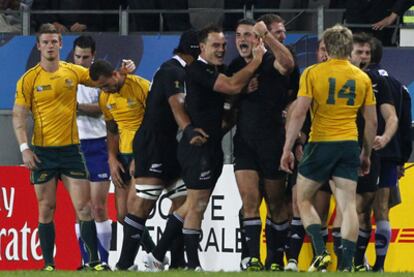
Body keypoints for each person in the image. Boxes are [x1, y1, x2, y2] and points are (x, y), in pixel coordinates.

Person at [280, 24, 378, 272]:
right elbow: (372, 121)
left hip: (321, 143)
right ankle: (346, 264)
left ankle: (321, 251)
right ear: (348, 47)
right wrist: (366, 153)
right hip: (348, 145)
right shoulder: (362, 77)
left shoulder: (313, 73)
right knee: (347, 207)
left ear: (328, 47)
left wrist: (287, 148)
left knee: (302, 199)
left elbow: (299, 113)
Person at [12, 23, 108, 271]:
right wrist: (24, 148)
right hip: (42, 152)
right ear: (38, 45)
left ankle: (94, 263)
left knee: (84, 207)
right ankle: (49, 265)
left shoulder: (73, 72)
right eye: (46, 42)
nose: (50, 46)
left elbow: (101, 79)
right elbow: (18, 116)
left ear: (61, 44)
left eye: (54, 41)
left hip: (71, 151)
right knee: (47, 208)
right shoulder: (29, 79)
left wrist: (121, 72)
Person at [117, 30, 201, 271]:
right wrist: (190, 130)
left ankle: (174, 262)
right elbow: (177, 105)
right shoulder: (172, 71)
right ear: (195, 50)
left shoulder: (177, 70)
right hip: (154, 143)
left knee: (184, 202)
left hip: (168, 144)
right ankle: (124, 265)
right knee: (143, 205)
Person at [228, 18, 294, 271]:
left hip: (272, 142)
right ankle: (253, 258)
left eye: (247, 35)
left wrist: (267, 34)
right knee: (250, 201)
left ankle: (275, 259)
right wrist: (241, 91)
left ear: (257, 39)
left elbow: (288, 64)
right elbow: (226, 98)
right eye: (238, 35)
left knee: (277, 204)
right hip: (244, 143)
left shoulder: (270, 61)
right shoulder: (234, 66)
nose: (242, 40)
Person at [88, 59, 152, 271]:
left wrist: (141, 155)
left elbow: (153, 122)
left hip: (143, 153)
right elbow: (112, 130)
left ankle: (133, 261)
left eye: (106, 84)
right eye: (101, 87)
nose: (105, 89)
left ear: (115, 74)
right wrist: (112, 159)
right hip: (122, 157)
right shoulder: (106, 97)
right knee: (123, 216)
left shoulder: (140, 86)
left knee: (134, 211)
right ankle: (154, 253)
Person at [369, 37, 412, 272]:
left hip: (361, 151)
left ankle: (358, 261)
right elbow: (405, 126)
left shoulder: (359, 79)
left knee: (358, 207)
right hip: (389, 154)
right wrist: (401, 159)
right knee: (382, 208)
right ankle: (380, 264)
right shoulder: (399, 85)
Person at [72, 35, 112, 269]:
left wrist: (75, 107)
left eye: (85, 57)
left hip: (98, 144)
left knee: (98, 207)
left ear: (93, 56)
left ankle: (104, 262)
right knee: (81, 208)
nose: (81, 61)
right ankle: (87, 261)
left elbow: (102, 108)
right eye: (78, 56)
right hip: (75, 146)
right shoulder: (66, 77)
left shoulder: (98, 79)